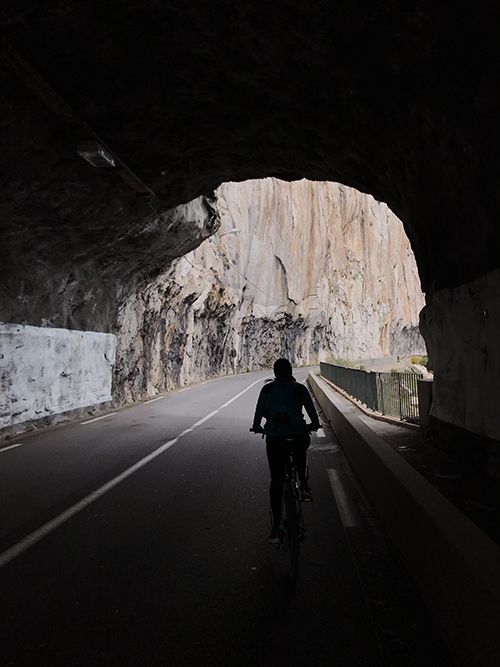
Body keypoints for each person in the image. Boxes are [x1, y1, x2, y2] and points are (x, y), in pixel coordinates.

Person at [252, 358, 321, 543]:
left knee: (276, 480)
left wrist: (257, 426)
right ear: (291, 372)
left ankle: (276, 526)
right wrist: (314, 425)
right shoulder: (299, 389)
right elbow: (312, 413)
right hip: (297, 435)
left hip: (275, 438)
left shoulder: (267, 389)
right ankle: (304, 484)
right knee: (301, 449)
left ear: (275, 373)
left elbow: (258, 414)